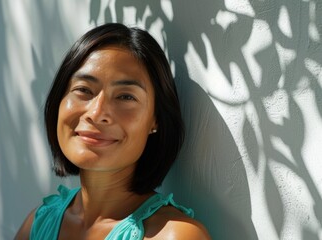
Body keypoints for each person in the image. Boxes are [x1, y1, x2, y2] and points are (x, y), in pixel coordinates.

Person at [15, 23, 210, 240]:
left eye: (126, 96)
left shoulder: (173, 236)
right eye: (83, 90)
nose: (97, 113)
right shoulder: (38, 223)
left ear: (156, 120)